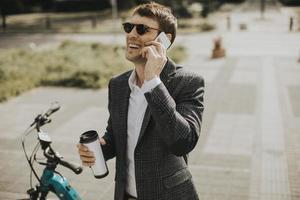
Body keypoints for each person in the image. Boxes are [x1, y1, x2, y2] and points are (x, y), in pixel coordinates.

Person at [77, 2, 204, 200]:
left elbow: (182, 142)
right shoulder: (118, 85)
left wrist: (153, 82)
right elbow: (115, 136)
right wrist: (97, 150)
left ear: (164, 40)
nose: (132, 34)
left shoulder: (188, 82)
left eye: (142, 29)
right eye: (128, 27)